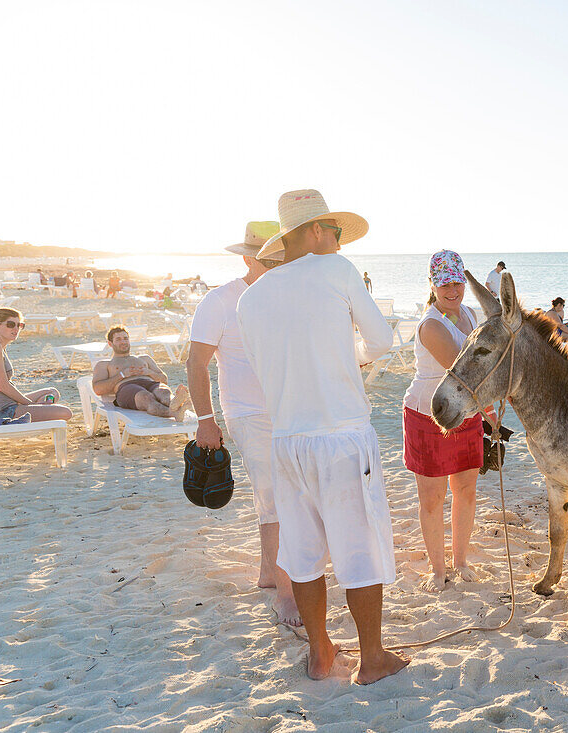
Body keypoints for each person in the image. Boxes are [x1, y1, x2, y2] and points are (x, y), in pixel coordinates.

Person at [239, 189, 408, 683]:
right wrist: (341, 354)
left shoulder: (252, 297)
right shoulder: (337, 271)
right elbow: (379, 342)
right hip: (340, 436)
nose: (337, 240)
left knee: (304, 552)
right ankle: (372, 658)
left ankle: (320, 652)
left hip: (286, 440)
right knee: (360, 550)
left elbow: (263, 365)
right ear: (314, 230)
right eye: (333, 230)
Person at [186, 220, 300, 628]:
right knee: (276, 497)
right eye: (271, 257)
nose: (279, 264)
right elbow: (195, 364)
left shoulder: (286, 297)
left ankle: (269, 574)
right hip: (248, 414)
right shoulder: (220, 301)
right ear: (249, 256)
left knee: (284, 495)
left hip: (290, 411)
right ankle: (286, 596)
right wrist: (205, 420)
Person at [403, 250, 485, 591]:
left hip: (467, 412)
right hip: (429, 415)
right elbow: (465, 371)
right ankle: (438, 570)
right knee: (432, 498)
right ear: (433, 284)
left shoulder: (469, 313)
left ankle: (460, 560)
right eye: (444, 282)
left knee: (465, 491)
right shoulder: (431, 324)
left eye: (457, 281)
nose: (452, 289)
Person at [0, 308, 74, 424]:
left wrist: (34, 405)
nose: (16, 329)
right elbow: (3, 386)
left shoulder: (0, 346)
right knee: (65, 413)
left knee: (52, 393)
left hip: (9, 403)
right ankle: (39, 408)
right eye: (10, 324)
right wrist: (30, 404)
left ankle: (42, 406)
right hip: (0, 411)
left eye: (20, 325)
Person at [92, 326, 190, 420]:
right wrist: (122, 375)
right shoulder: (105, 364)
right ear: (110, 343)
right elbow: (97, 389)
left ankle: (175, 402)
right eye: (118, 339)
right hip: (126, 387)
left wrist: (149, 372)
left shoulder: (144, 358)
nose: (123, 342)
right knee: (145, 397)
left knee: (164, 392)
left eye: (125, 338)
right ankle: (174, 412)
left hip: (151, 383)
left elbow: (164, 380)